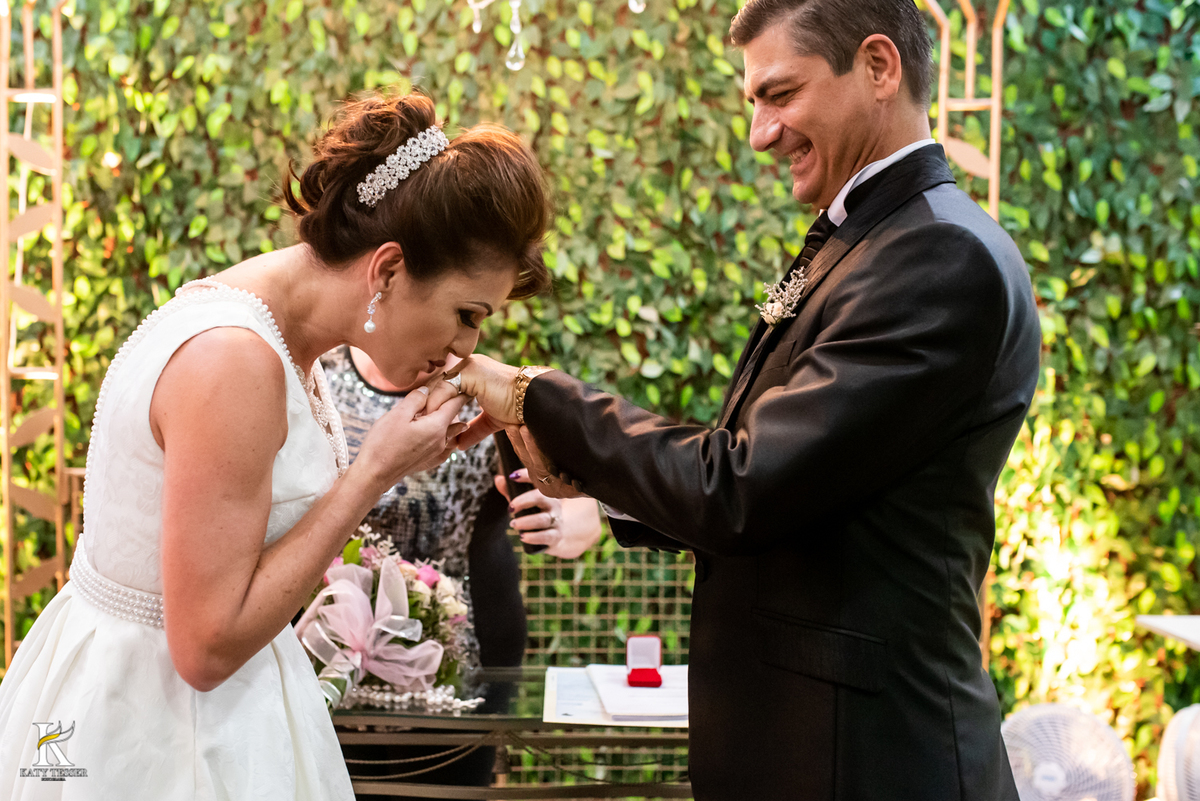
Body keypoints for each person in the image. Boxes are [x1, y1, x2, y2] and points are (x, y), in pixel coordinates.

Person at [451, 1, 1040, 798]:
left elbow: (744, 485)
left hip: (866, 762)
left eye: (781, 94)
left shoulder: (937, 255)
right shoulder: (870, 240)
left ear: (878, 67)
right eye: (754, 102)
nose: (761, 134)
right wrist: (603, 490)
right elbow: (796, 485)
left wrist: (536, 394)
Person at [0, 91, 550, 800]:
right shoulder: (234, 359)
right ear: (387, 271)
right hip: (158, 731)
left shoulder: (279, 337)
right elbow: (205, 648)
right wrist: (372, 473)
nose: (466, 347)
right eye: (467, 314)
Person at [320, 345, 600, 795]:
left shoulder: (492, 388)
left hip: (464, 662)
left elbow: (584, 511)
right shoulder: (318, 375)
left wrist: (560, 517)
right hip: (327, 652)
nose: (461, 336)